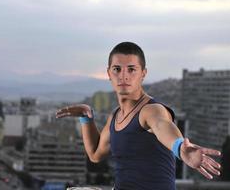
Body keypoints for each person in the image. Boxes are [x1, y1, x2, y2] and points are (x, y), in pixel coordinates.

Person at [56, 42, 221, 190]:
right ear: (108, 73)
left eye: (132, 69)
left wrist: (180, 148)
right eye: (117, 69)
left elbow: (161, 125)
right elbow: (95, 154)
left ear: (143, 73)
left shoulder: (151, 110)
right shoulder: (115, 117)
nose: (124, 75)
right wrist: (86, 118)